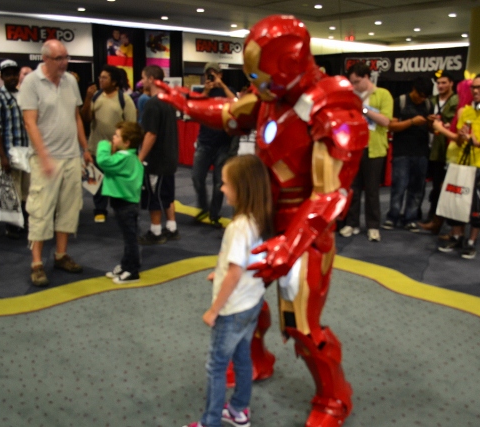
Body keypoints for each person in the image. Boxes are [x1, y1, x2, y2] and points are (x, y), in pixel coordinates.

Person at [158, 15, 367, 426]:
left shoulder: (333, 103)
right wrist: (187, 102)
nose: (259, 87)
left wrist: (289, 247)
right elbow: (231, 113)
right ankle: (257, 359)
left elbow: (332, 194)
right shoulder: (271, 93)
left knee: (302, 324)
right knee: (246, 305)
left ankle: (333, 395)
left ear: (291, 67)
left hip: (305, 231)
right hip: (262, 217)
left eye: (265, 78)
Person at [184, 154, 272, 427]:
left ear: (242, 187)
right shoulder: (259, 218)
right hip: (251, 302)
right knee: (242, 356)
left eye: (225, 184)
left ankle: (210, 421)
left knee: (216, 366)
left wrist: (214, 309)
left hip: (232, 309)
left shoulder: (238, 227)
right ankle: (238, 410)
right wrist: (218, 272)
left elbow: (234, 272)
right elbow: (243, 263)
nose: (221, 189)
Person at [19, 40, 93, 287]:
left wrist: (85, 148)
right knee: (40, 210)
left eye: (66, 57)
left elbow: (76, 118)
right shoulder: (31, 83)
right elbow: (30, 123)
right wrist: (44, 157)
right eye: (59, 58)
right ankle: (37, 263)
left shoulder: (70, 81)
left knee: (70, 208)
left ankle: (61, 255)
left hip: (71, 156)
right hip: (45, 159)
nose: (65, 62)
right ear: (46, 59)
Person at [433, 73, 480, 259]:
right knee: (457, 200)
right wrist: (461, 136)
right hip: (461, 162)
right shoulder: (466, 111)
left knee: (477, 204)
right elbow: (458, 140)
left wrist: (478, 143)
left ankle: (472, 241)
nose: (476, 91)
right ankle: (457, 236)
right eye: (473, 87)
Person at [342, 61, 393, 242]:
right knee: (352, 189)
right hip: (354, 148)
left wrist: (363, 109)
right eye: (352, 82)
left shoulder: (383, 94)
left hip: (375, 149)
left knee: (372, 191)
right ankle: (352, 223)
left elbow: (386, 121)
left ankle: (373, 226)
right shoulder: (350, 96)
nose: (354, 86)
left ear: (366, 77)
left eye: (356, 82)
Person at [81, 65, 136, 223]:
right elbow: (85, 118)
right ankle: (100, 210)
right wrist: (87, 98)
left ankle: (121, 210)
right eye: (100, 77)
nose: (100, 80)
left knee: (117, 182)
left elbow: (131, 127)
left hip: (116, 151)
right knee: (95, 182)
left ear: (114, 81)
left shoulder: (124, 100)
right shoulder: (96, 96)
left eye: (104, 78)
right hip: (95, 148)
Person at [0, 59, 31, 239]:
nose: (12, 77)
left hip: (25, 151)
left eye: (15, 73)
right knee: (11, 190)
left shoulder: (22, 95)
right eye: (8, 74)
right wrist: (2, 156)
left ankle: (23, 221)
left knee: (25, 190)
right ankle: (11, 226)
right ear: (2, 77)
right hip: (9, 152)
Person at [384, 76, 434, 231]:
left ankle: (410, 217)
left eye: (424, 96)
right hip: (402, 151)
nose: (421, 99)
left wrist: (431, 122)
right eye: (419, 95)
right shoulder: (400, 101)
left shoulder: (428, 104)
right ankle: (393, 216)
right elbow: (391, 126)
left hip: (421, 151)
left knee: (417, 188)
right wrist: (412, 121)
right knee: (399, 186)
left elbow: (432, 130)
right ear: (414, 89)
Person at [97, 121, 144, 284]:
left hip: (125, 204)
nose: (113, 138)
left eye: (117, 136)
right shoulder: (130, 156)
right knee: (128, 237)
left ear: (127, 142)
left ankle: (132, 270)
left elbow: (103, 161)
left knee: (130, 238)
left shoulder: (122, 158)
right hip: (125, 203)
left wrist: (103, 145)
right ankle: (126, 265)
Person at [191, 62, 237, 228]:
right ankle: (203, 206)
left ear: (220, 74)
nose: (211, 77)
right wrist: (206, 90)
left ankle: (214, 214)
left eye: (214, 74)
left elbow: (235, 102)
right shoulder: (200, 91)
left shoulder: (228, 89)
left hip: (223, 144)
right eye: (208, 74)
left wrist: (222, 85)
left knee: (219, 182)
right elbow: (195, 107)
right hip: (204, 142)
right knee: (197, 177)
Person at [138, 65, 179, 244]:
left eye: (143, 78)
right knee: (167, 195)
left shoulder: (152, 104)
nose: (141, 82)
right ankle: (171, 227)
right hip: (169, 157)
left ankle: (155, 232)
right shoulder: (168, 101)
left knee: (155, 196)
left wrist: (140, 158)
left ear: (152, 79)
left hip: (157, 160)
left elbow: (151, 134)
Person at [419, 70, 458, 234]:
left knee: (442, 187)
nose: (441, 86)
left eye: (444, 82)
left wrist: (442, 123)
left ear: (451, 83)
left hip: (446, 150)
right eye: (438, 83)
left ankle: (440, 220)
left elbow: (454, 123)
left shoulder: (457, 101)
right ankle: (432, 216)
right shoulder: (431, 100)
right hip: (428, 147)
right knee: (432, 186)